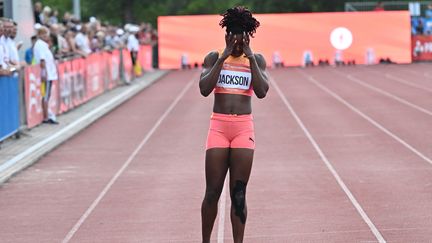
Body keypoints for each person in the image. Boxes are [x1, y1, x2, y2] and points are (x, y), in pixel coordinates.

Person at [199, 6, 268, 243]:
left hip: (242, 129)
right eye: (234, 41)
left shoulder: (255, 59)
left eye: (242, 41)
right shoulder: (213, 56)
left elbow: (262, 92)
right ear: (227, 36)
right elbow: (204, 89)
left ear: (248, 37)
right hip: (218, 128)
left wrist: (249, 55)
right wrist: (223, 55)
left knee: (239, 194)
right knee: (212, 193)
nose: (237, 46)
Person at [33, 26, 59, 124]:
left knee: (47, 95)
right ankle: (46, 117)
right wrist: (45, 73)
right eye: (42, 34)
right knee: (46, 95)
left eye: (46, 33)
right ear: (39, 35)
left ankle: (47, 114)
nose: (45, 35)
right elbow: (42, 60)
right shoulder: (40, 45)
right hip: (46, 74)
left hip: (49, 73)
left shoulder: (44, 45)